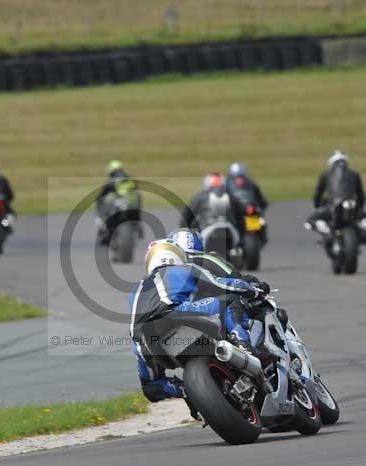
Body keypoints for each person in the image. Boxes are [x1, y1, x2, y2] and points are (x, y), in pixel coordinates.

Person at [128, 239, 266, 402]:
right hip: (177, 311)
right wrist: (253, 290)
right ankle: (243, 344)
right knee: (230, 299)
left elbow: (151, 391)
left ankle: (184, 390)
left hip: (144, 336)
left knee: (151, 386)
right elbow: (222, 283)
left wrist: (190, 389)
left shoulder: (135, 290)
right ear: (177, 256)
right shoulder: (186, 268)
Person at [305, 151, 366, 243]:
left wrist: (317, 206)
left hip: (333, 205)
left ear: (331, 162)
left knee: (310, 220)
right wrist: (359, 208)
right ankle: (363, 232)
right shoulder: (354, 174)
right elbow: (361, 195)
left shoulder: (325, 174)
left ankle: (326, 231)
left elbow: (317, 194)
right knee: (365, 218)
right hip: (352, 203)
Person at [180, 172, 246, 243]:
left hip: (207, 231)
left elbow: (186, 217)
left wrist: (187, 232)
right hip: (230, 231)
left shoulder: (199, 197)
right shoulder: (233, 197)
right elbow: (241, 218)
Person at [95, 160, 142, 244]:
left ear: (112, 170)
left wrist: (98, 199)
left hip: (121, 202)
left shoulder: (113, 179)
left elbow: (104, 192)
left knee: (107, 211)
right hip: (134, 203)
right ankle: (138, 227)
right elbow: (136, 192)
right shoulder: (129, 178)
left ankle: (106, 232)